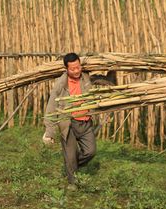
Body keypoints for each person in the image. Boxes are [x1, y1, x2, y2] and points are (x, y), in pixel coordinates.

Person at [43, 52, 115, 188]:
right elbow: (51, 107)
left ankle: (72, 167)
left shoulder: (86, 77)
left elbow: (104, 80)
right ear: (66, 69)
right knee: (70, 156)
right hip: (68, 124)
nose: (76, 71)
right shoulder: (61, 84)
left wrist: (113, 69)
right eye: (72, 69)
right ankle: (73, 183)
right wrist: (49, 131)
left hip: (85, 122)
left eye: (78, 67)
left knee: (90, 151)